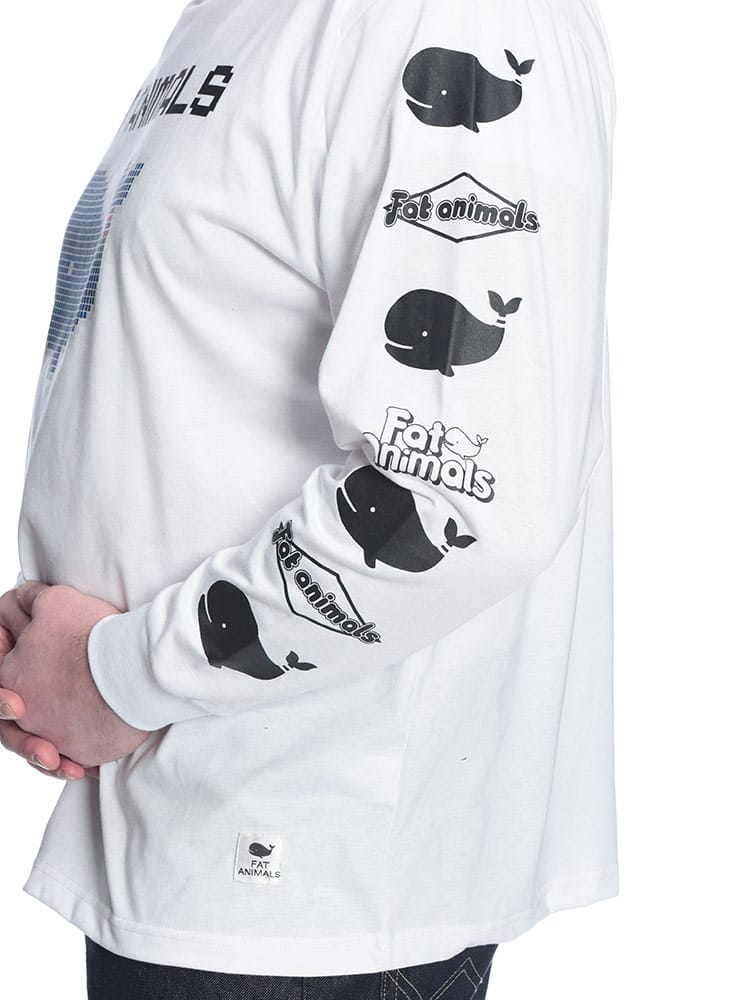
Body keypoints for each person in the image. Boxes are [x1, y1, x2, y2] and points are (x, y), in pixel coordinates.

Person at [0, 0, 617, 996]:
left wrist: (116, 675)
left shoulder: (448, 15)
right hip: (176, 838)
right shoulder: (235, 17)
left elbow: (463, 495)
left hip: (307, 881)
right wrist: (55, 648)